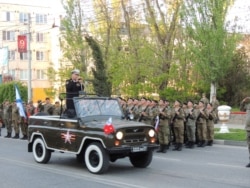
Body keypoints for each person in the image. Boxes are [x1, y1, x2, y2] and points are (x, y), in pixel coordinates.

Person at [240, 97, 250, 167]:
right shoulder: (248, 105)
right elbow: (241, 109)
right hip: (248, 129)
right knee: (249, 146)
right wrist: (243, 101)